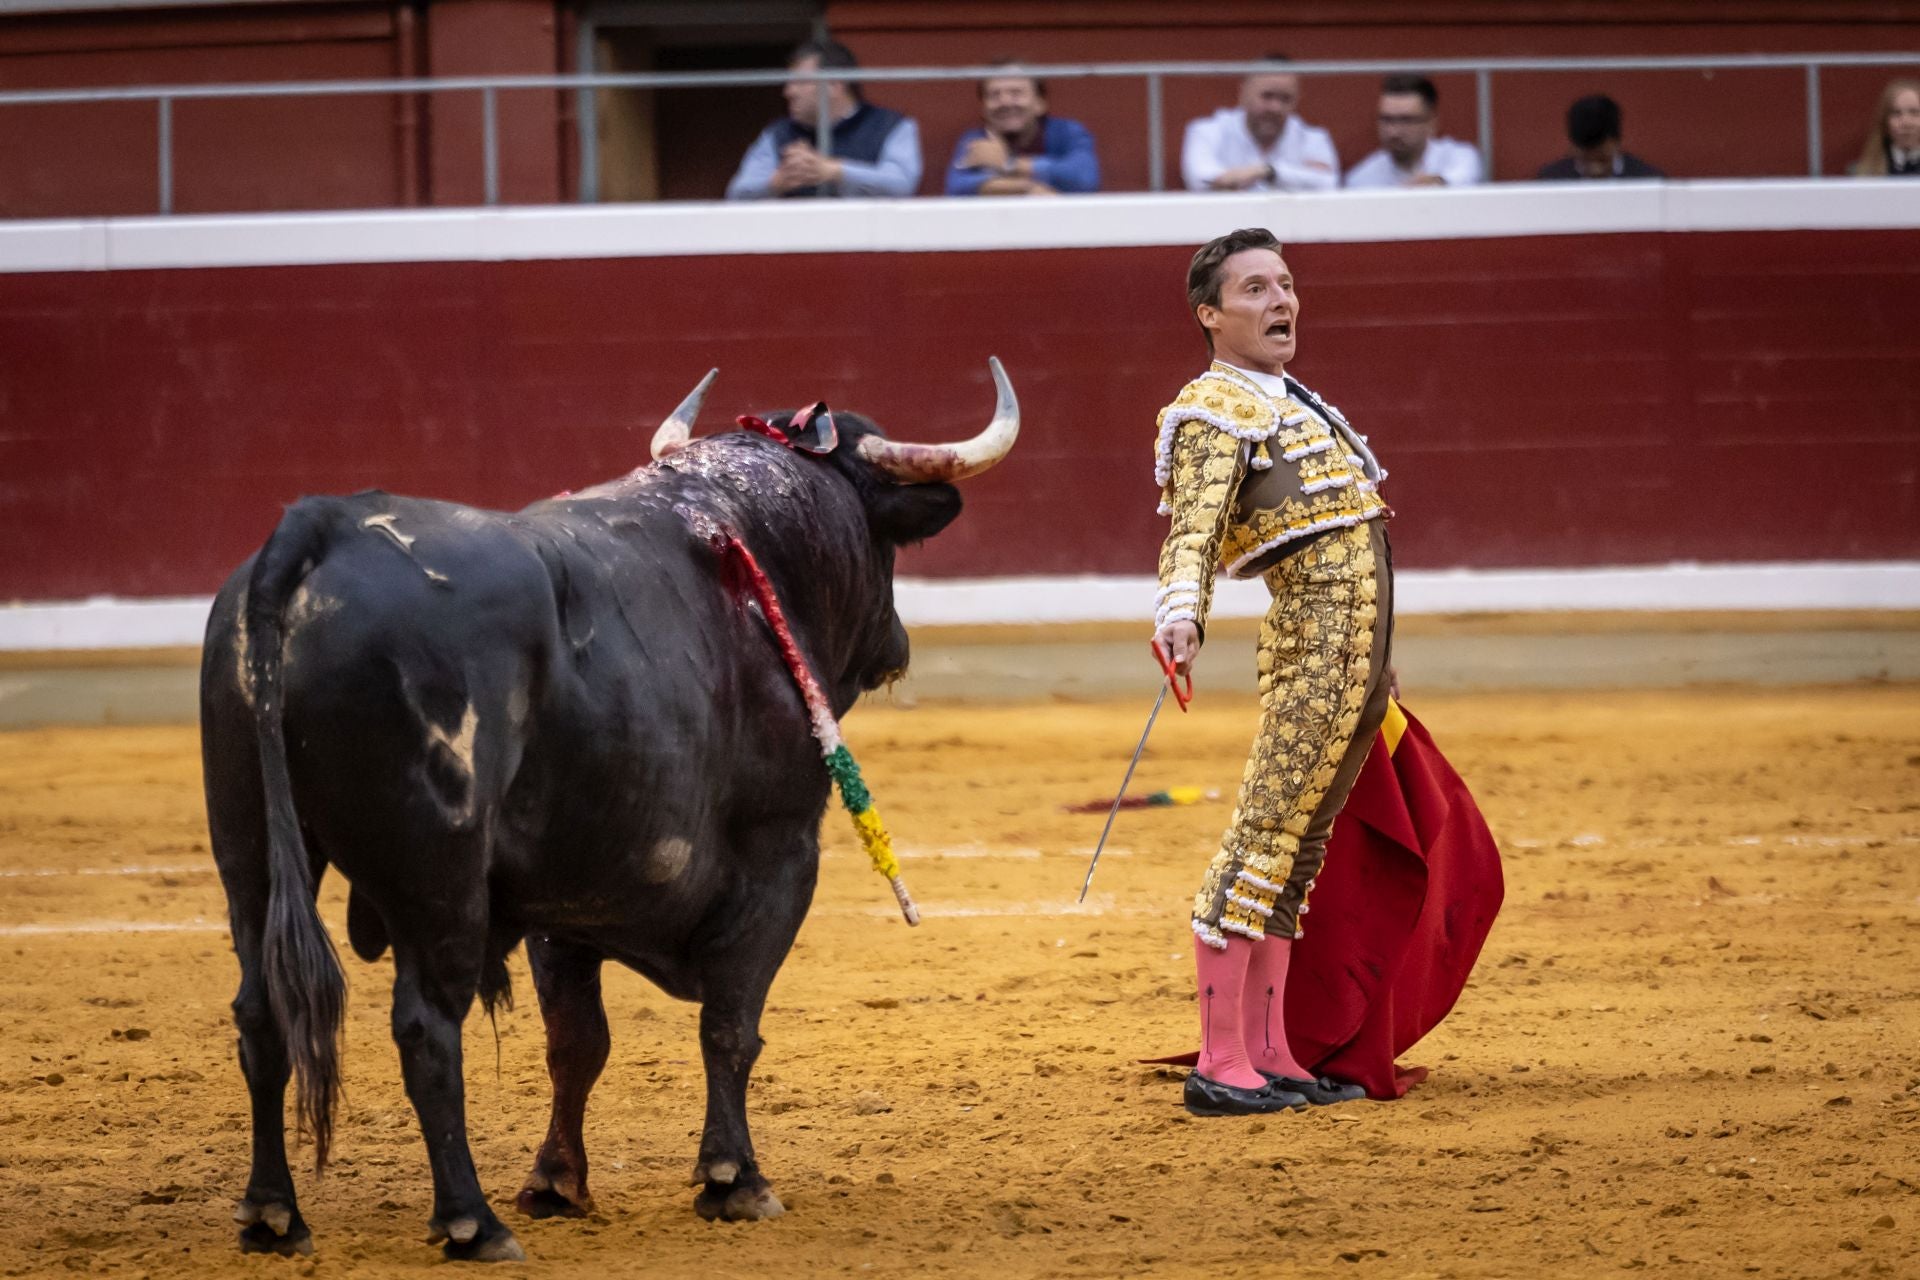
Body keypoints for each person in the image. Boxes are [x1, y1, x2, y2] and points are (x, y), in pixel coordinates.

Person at [1151, 227, 1394, 1117]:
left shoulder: (1296, 403)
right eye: (1254, 289)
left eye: (1285, 284)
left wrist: (1377, 659)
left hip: (1353, 662)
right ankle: (1221, 1062)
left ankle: (1270, 1052)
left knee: (1297, 853)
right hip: (1310, 653)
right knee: (1260, 841)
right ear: (1210, 316)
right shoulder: (1212, 408)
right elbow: (1194, 529)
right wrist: (1180, 614)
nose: (1281, 300)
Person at [725, 38, 922, 200]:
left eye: (800, 82)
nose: (788, 92)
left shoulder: (890, 125)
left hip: (867, 234)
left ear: (834, 85)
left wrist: (835, 171)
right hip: (797, 233)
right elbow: (737, 193)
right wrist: (778, 182)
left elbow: (902, 184)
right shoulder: (779, 133)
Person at [1180, 58, 1339, 193]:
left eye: (1285, 99)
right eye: (1267, 96)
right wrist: (1296, 177)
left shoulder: (1313, 138)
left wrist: (1270, 172)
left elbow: (1329, 184)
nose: (1275, 108)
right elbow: (1202, 179)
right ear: (1243, 93)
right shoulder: (1207, 131)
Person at [945, 63, 1100, 195]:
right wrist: (1027, 189)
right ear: (984, 108)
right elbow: (957, 188)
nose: (1005, 102)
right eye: (994, 95)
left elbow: (1085, 179)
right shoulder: (975, 139)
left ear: (1040, 104)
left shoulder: (1067, 131)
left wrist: (1010, 165)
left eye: (1016, 93)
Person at [1344, 75, 1483, 189]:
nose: (1394, 132)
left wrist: (1437, 183)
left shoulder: (1459, 158)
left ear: (1431, 123)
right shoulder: (1361, 179)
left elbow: (1465, 178)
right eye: (1387, 120)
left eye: (1406, 120)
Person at [1535, 94, 1664, 179]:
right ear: (1571, 147)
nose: (1595, 170)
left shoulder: (1649, 180)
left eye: (1603, 159)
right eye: (1585, 160)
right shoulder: (1550, 181)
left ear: (1617, 143)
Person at [1850, 79, 1920, 177]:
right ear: (1885, 121)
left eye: (1914, 112)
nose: (1906, 123)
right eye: (1896, 113)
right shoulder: (1861, 173)